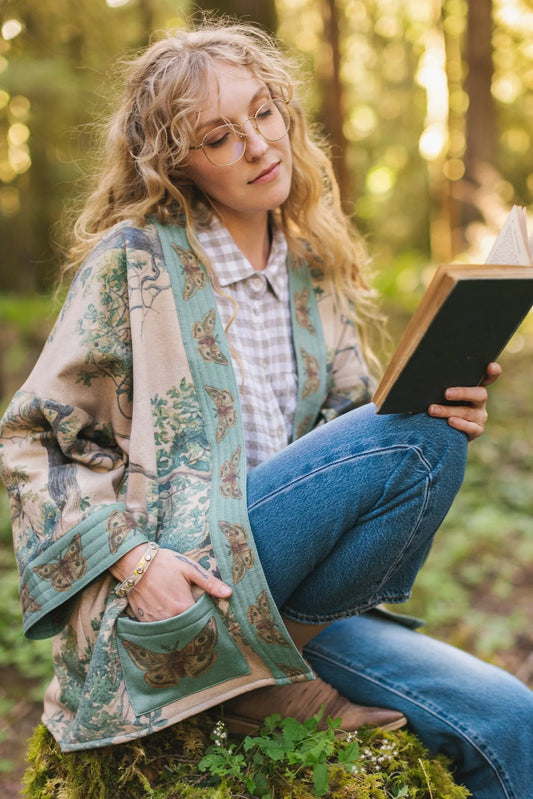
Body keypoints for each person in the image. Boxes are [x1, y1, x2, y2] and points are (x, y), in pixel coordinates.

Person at [0, 19, 531, 799]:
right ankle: (224, 675)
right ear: (175, 161)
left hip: (288, 601)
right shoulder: (136, 261)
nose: (257, 144)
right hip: (184, 588)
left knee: (510, 720)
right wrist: (133, 559)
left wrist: (443, 400)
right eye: (219, 135)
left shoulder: (312, 265)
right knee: (414, 438)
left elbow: (351, 433)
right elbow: (32, 439)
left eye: (263, 112)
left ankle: (246, 679)